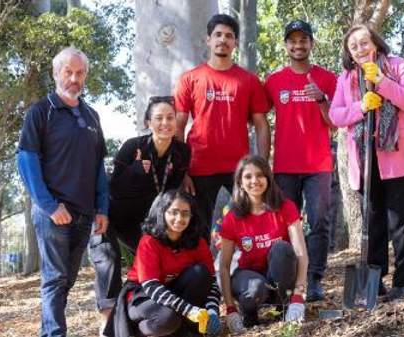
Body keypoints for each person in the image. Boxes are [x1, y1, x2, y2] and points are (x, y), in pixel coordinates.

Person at [328, 25, 404, 302]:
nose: (360, 49)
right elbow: (336, 115)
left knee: (401, 224)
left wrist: (384, 83)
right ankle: (374, 283)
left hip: (403, 157)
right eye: (354, 46)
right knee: (372, 223)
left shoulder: (398, 66)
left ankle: (402, 283)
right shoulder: (347, 78)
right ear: (349, 53)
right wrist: (361, 106)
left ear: (375, 44)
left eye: (365, 43)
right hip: (365, 162)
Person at [16, 47, 109, 337]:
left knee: (65, 279)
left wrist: (102, 208)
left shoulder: (92, 116)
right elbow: (26, 160)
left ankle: (49, 330)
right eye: (68, 72)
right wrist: (48, 205)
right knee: (55, 278)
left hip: (83, 214)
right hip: (53, 213)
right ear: (56, 74)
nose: (74, 78)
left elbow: (98, 166)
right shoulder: (40, 112)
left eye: (79, 73)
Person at [89, 96, 190, 327]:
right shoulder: (132, 147)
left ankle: (147, 312)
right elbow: (113, 186)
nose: (165, 123)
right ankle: (107, 323)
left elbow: (170, 193)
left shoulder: (182, 152)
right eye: (158, 118)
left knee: (160, 260)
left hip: (144, 222)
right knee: (109, 259)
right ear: (148, 122)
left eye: (170, 117)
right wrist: (135, 171)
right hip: (113, 216)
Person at [175, 14, 271, 242]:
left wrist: (262, 167)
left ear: (235, 42)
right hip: (198, 166)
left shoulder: (249, 81)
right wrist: (182, 171)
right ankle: (202, 277)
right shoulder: (190, 79)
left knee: (249, 226)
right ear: (208, 39)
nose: (223, 40)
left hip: (239, 169)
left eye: (229, 36)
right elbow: (178, 128)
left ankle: (248, 275)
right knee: (197, 231)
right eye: (218, 34)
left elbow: (261, 125)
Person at [264, 20, 337, 302]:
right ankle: (286, 280)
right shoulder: (274, 81)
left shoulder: (328, 78)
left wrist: (321, 99)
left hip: (318, 166)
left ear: (311, 44)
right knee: (282, 224)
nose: (298, 45)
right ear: (286, 45)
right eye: (292, 40)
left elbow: (335, 122)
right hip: (284, 166)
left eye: (303, 40)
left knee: (319, 222)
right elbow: (258, 115)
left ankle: (315, 279)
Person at [107, 190, 221, 337]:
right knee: (167, 319)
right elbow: (150, 285)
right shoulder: (149, 241)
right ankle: (141, 332)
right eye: (173, 212)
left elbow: (211, 282)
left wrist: (212, 310)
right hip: (143, 295)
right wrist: (188, 310)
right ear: (162, 212)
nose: (179, 218)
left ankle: (186, 330)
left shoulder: (198, 243)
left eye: (185, 213)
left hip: (174, 292)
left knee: (200, 272)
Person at [219, 155, 309, 333]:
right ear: (240, 181)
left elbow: (301, 253)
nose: (255, 181)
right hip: (249, 276)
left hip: (278, 276)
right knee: (255, 288)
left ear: (268, 177)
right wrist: (230, 308)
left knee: (282, 249)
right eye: (248, 176)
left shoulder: (285, 207)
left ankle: (284, 306)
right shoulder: (232, 217)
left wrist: (298, 296)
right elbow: (224, 266)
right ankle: (250, 314)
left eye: (260, 175)